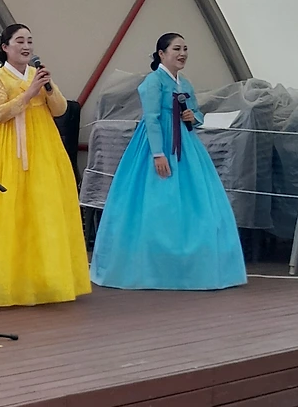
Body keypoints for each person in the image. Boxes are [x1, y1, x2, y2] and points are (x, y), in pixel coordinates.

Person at [90, 32, 246, 290]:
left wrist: (192, 116)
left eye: (185, 49)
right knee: (155, 203)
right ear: (162, 54)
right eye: (176, 49)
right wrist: (158, 153)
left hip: (186, 145)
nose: (182, 54)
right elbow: (151, 118)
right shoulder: (153, 82)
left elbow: (197, 114)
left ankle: (189, 266)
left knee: (195, 202)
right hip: (157, 143)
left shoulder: (184, 83)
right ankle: (151, 267)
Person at [0, 21, 91, 307]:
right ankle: (6, 282)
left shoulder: (38, 75)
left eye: (29, 41)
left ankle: (44, 281)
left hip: (43, 148)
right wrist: (29, 93)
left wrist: (48, 88)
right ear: (5, 47)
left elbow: (61, 110)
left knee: (43, 211)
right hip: (7, 150)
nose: (26, 46)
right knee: (7, 212)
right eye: (20, 41)